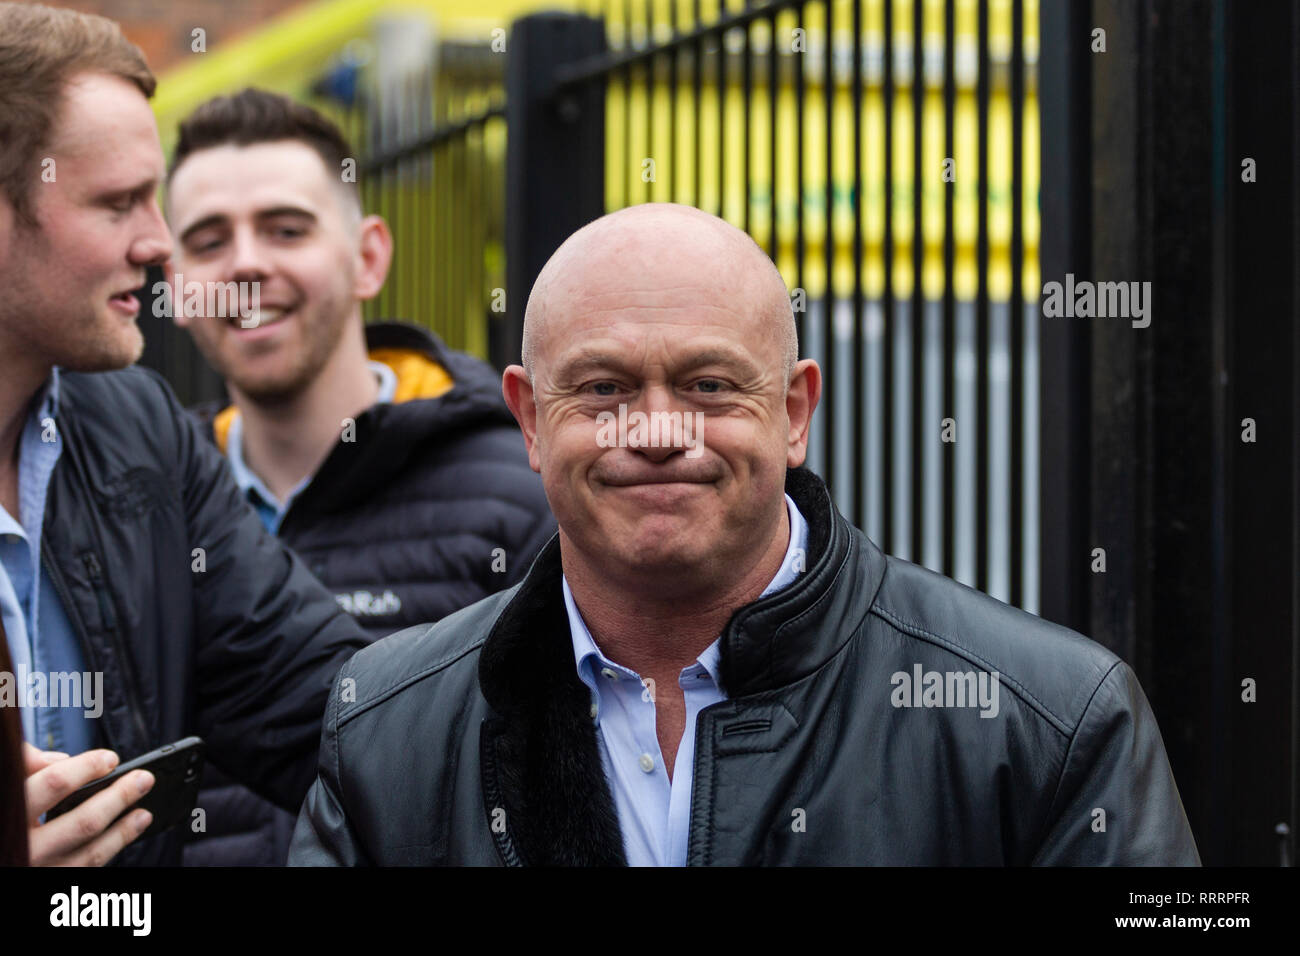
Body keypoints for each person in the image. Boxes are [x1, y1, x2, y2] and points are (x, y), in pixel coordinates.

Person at [289, 202, 1201, 866]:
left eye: (709, 387)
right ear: (529, 420)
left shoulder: (1049, 721)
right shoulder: (384, 730)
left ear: (795, 410)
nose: (655, 431)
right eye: (602, 388)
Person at [0, 2, 369, 866]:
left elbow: (332, 710)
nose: (161, 245)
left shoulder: (139, 432)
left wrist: (576, 644)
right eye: (119, 203)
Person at [163, 88, 555, 865]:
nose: (245, 262)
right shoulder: (141, 511)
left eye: (285, 228)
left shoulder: (521, 493)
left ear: (368, 256)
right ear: (173, 286)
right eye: (208, 241)